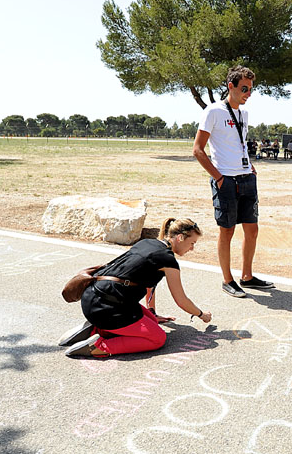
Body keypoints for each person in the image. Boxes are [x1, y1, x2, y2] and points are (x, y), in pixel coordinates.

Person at [59, 218, 212, 358]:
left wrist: (152, 313)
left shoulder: (147, 243)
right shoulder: (168, 260)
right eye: (192, 243)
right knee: (157, 338)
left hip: (94, 297)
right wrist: (201, 314)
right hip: (106, 308)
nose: (192, 248)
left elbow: (148, 285)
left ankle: (96, 329)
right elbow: (181, 300)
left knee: (152, 321)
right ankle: (98, 346)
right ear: (180, 238)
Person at [192, 65, 274, 298]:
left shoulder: (243, 114)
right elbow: (198, 150)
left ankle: (247, 276)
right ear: (231, 86)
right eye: (245, 88)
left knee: (252, 229)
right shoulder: (213, 111)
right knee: (226, 231)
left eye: (251, 89)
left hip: (246, 177)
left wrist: (249, 166)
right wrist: (218, 177)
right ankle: (227, 280)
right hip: (225, 179)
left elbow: (237, 144)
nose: (249, 93)